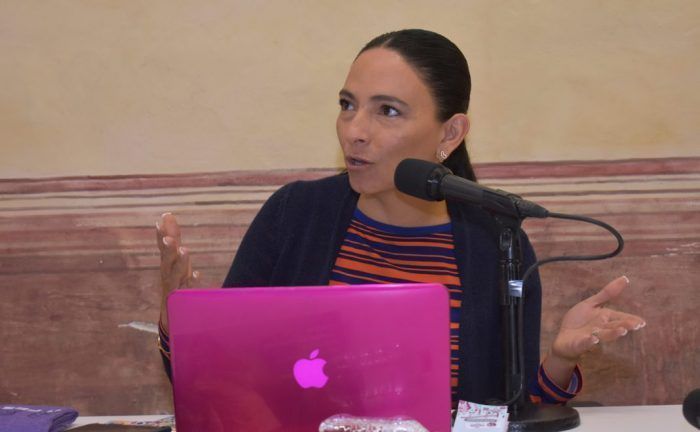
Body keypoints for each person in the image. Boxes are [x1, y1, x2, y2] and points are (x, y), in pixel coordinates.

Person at [155, 29, 645, 406]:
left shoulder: (496, 241)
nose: (354, 130)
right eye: (347, 105)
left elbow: (512, 412)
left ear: (450, 133)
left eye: (387, 111)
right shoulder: (294, 215)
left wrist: (560, 360)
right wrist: (181, 328)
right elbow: (215, 391)